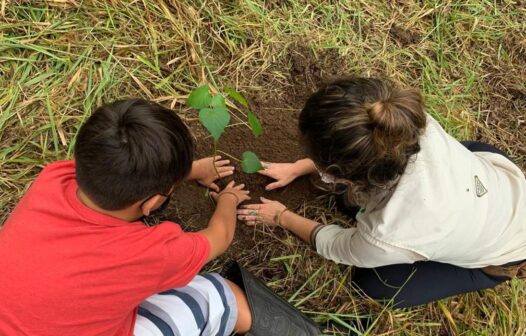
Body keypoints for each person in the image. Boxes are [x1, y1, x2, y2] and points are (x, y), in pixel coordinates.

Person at [0, 99, 320, 336]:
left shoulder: (53, 178)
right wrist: (228, 200)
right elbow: (218, 238)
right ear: (152, 201)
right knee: (218, 296)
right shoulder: (152, 252)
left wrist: (187, 171)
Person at [237, 77, 526, 308]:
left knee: (374, 286)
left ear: (344, 171)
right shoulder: (401, 118)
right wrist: (303, 167)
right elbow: (365, 149)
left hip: (504, 250)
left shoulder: (390, 234)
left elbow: (339, 246)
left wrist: (283, 217)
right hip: (500, 181)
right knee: (347, 201)